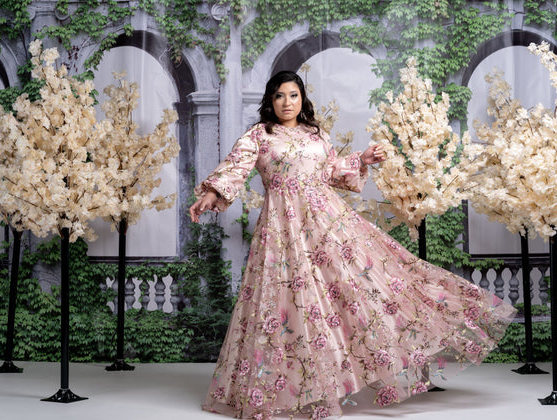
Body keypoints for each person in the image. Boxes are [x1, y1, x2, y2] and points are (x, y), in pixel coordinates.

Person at [190, 71, 516, 420]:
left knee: (361, 285)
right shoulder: (260, 135)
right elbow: (235, 168)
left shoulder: (317, 135)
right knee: (285, 299)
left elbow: (330, 171)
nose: (287, 103)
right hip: (282, 227)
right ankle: (289, 385)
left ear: (303, 99)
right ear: (271, 101)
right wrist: (211, 193)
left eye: (294, 95)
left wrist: (361, 160)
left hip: (326, 220)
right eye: (280, 96)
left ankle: (385, 362)